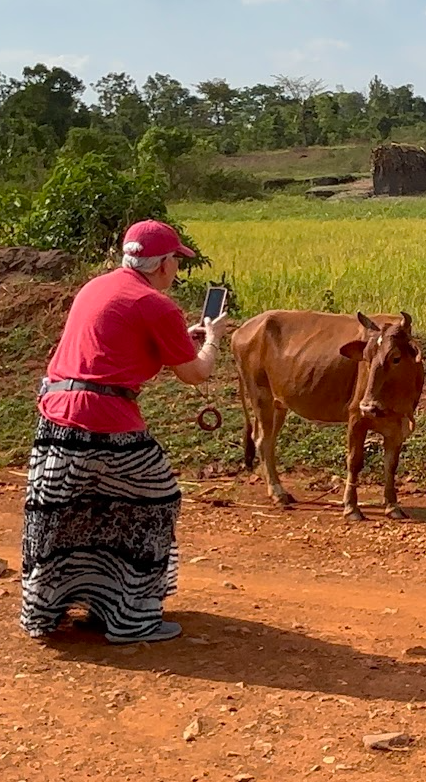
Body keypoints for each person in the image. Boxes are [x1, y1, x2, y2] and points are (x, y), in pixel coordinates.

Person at [21, 219, 227, 644]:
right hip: (107, 423)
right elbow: (195, 373)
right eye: (175, 259)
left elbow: (115, 342)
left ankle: (55, 609)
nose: (177, 268)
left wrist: (179, 339)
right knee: (154, 504)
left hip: (56, 418)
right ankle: (132, 618)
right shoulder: (157, 305)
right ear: (163, 263)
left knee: (66, 513)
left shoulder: (97, 286)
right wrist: (213, 341)